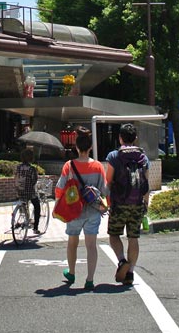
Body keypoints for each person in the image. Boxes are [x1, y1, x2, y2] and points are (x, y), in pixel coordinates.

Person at [55, 126, 107, 290]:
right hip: (93, 211)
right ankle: (90, 279)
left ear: (76, 147)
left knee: (72, 242)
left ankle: (71, 273)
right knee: (91, 245)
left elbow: (59, 188)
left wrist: (57, 205)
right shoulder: (98, 166)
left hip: (73, 211)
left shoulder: (69, 166)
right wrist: (104, 206)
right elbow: (104, 190)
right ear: (90, 147)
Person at [106, 122, 151, 286]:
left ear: (120, 138)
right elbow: (146, 183)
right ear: (135, 139)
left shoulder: (114, 156)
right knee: (133, 237)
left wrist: (108, 199)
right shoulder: (143, 157)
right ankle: (130, 272)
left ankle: (121, 261)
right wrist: (146, 204)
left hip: (119, 203)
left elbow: (108, 180)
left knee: (114, 234)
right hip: (137, 204)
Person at [14, 146, 41, 234]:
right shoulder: (32, 169)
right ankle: (35, 228)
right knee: (37, 206)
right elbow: (34, 181)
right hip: (29, 193)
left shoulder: (18, 167)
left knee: (23, 202)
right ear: (31, 158)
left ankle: (21, 218)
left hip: (19, 192)